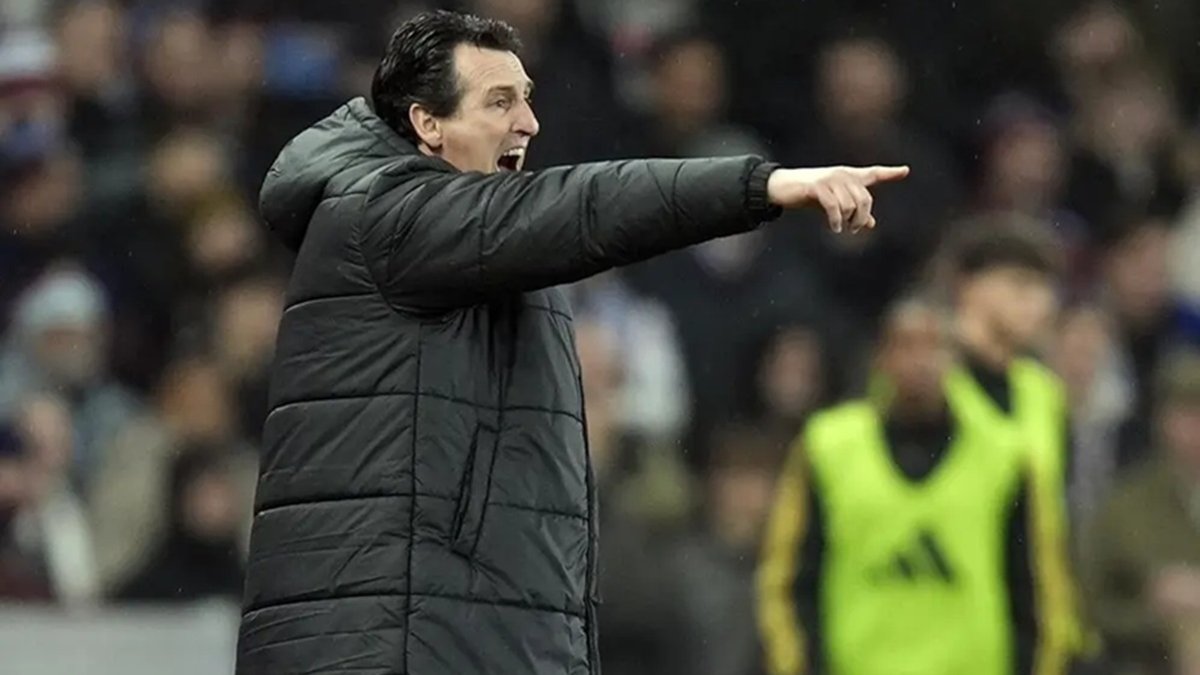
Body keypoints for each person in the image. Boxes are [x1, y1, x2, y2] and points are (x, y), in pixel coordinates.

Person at [235, 10, 909, 675]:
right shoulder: (383, 213)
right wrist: (761, 185)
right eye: (499, 101)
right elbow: (588, 204)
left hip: (462, 632)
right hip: (390, 640)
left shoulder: (480, 246)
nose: (529, 122)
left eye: (527, 98)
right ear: (427, 123)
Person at [757, 299, 1069, 675]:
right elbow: (788, 584)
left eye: (934, 346)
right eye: (905, 345)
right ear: (880, 358)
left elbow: (1040, 596)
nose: (919, 362)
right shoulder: (827, 450)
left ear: (956, 360)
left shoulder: (1006, 458)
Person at [945, 220, 1085, 671]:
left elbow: (1054, 529)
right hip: (940, 630)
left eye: (1045, 289)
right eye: (1020, 285)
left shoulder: (1045, 397)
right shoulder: (929, 391)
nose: (1040, 304)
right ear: (967, 286)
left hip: (1031, 635)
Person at [1081, 349, 1200, 675]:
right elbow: (1092, 607)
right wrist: (1155, 612)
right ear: (1163, 420)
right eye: (1187, 414)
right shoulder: (1125, 508)